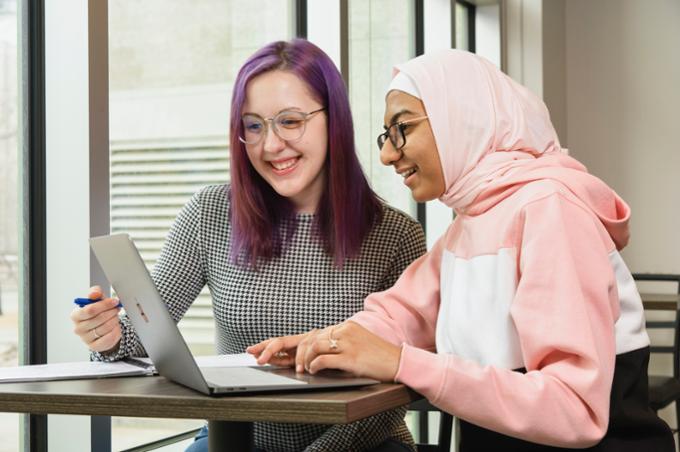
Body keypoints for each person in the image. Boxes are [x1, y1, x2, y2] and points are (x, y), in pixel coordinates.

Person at [248, 49, 675, 451]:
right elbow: (401, 314)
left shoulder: (549, 208)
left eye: (403, 128)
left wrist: (402, 363)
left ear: (463, 119)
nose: (387, 154)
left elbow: (575, 409)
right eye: (385, 134)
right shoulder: (474, 221)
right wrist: (329, 342)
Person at [70, 39, 426, 452]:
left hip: (362, 444)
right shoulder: (210, 214)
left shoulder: (396, 236)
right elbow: (142, 339)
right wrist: (107, 336)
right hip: (231, 438)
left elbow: (395, 390)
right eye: (253, 125)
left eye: (290, 121)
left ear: (336, 121)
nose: (270, 145)